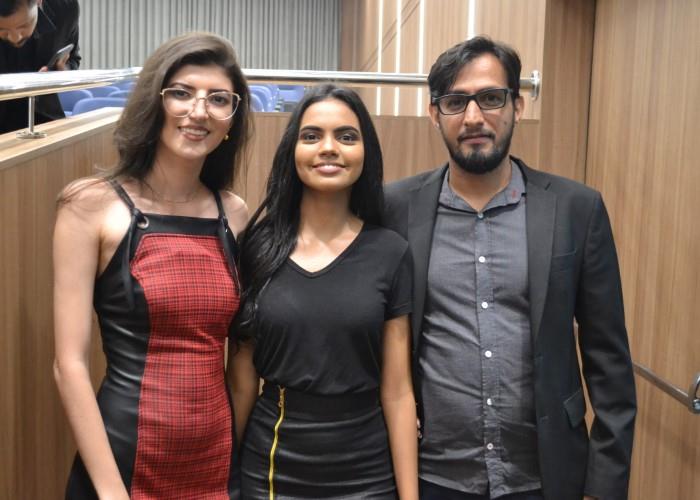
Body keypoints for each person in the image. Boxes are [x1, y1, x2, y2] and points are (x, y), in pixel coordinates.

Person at [382, 36, 636, 500]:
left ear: (517, 105)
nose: (473, 117)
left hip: (545, 478)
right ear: (434, 113)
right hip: (433, 476)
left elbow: (609, 363)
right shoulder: (395, 208)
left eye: (491, 98)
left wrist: (603, 487)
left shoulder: (575, 209)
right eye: (455, 102)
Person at [53, 32, 251, 499]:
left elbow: (242, 357)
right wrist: (110, 491)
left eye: (218, 99)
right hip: (123, 461)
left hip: (216, 462)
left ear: (231, 118)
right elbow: (69, 365)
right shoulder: (90, 205)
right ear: (154, 102)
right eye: (181, 93)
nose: (199, 111)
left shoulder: (235, 214)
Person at [232, 84, 418, 499]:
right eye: (312, 135)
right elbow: (242, 380)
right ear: (292, 151)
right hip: (273, 466)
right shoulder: (257, 248)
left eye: (346, 136)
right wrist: (225, 479)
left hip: (367, 472)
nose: (329, 148)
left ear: (365, 152)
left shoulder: (391, 252)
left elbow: (398, 392)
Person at [0, 0, 80, 134]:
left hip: (44, 118)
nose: (15, 38)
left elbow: (73, 59)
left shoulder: (66, 8)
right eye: (2, 30)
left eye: (22, 26)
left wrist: (63, 70)